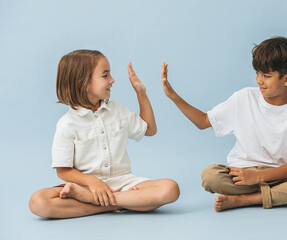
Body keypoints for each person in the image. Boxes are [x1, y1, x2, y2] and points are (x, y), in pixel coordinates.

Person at [161, 36, 287, 212]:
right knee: (210, 175)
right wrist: (173, 96)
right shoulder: (244, 97)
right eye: (257, 73)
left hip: (280, 176)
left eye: (266, 75)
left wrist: (258, 177)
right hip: (242, 175)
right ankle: (283, 196)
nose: (259, 80)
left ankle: (246, 200)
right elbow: (204, 121)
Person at [29, 50, 180, 218]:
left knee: (170, 188)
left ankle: (98, 202)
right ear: (84, 84)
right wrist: (93, 183)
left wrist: (141, 93)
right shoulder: (66, 124)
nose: (112, 80)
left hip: (124, 184)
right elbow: (63, 171)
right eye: (105, 75)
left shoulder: (117, 110)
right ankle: (125, 203)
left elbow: (150, 130)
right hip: (85, 187)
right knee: (39, 201)